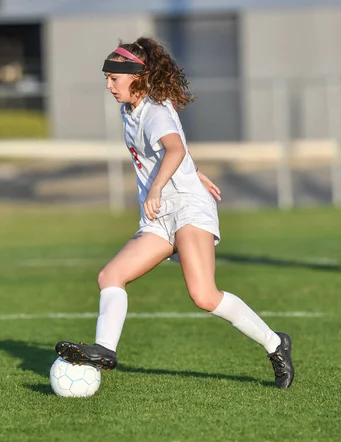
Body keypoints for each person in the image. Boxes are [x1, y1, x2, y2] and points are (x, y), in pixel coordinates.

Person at [55, 37, 294, 389]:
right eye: (107, 78)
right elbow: (171, 150)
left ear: (135, 77)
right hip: (160, 215)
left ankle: (276, 344)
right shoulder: (132, 110)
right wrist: (191, 171)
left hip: (186, 207)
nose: (108, 85)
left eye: (113, 79)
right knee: (110, 276)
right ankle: (104, 350)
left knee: (204, 295)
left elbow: (174, 147)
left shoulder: (152, 111)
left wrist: (161, 186)